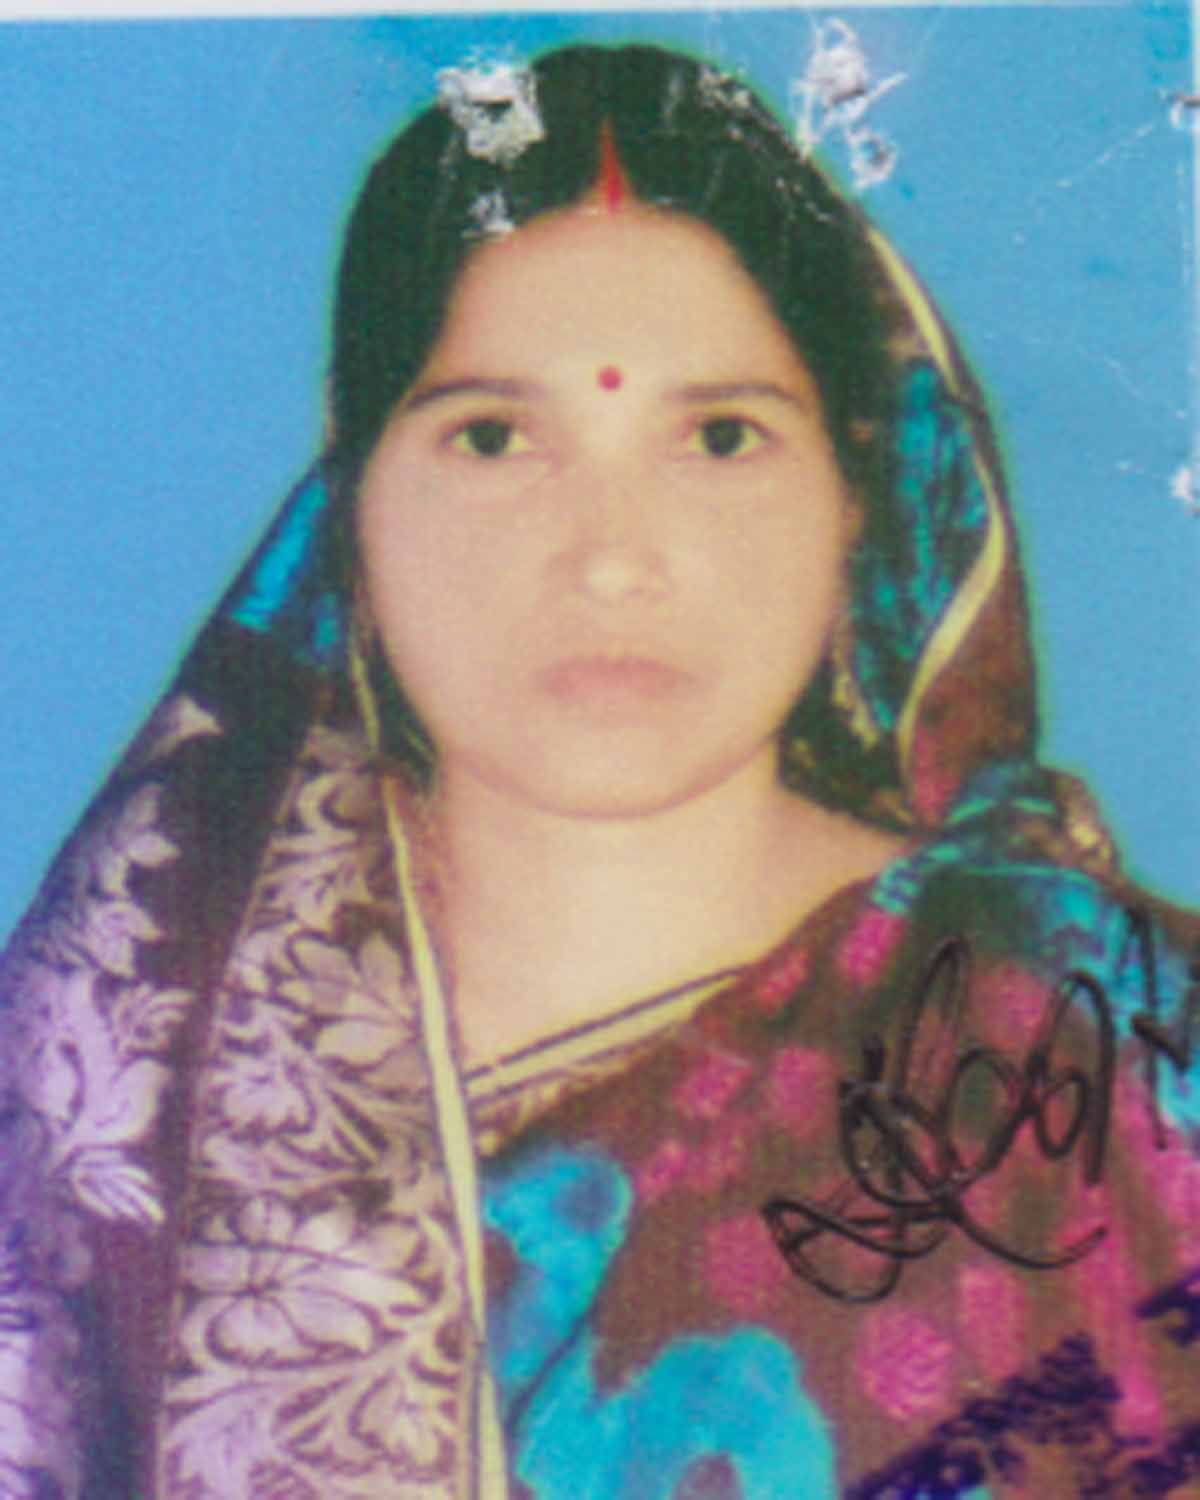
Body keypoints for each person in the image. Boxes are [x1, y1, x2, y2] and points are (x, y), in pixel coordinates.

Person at [1, 41, 1196, 1500]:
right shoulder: (127, 1063)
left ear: (860, 500)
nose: (612, 557)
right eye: (496, 437)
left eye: (720, 437)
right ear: (353, 498)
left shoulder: (1098, 1040)